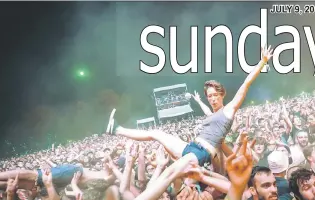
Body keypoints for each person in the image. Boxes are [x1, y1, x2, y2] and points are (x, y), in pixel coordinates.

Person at [105, 46, 274, 167]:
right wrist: (198, 100)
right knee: (155, 133)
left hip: (200, 153)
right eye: (210, 96)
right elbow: (208, 112)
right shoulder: (213, 115)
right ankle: (116, 130)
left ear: (222, 95)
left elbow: (246, 84)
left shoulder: (228, 111)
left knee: (170, 174)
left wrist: (262, 61)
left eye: (215, 95)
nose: (213, 99)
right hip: (190, 147)